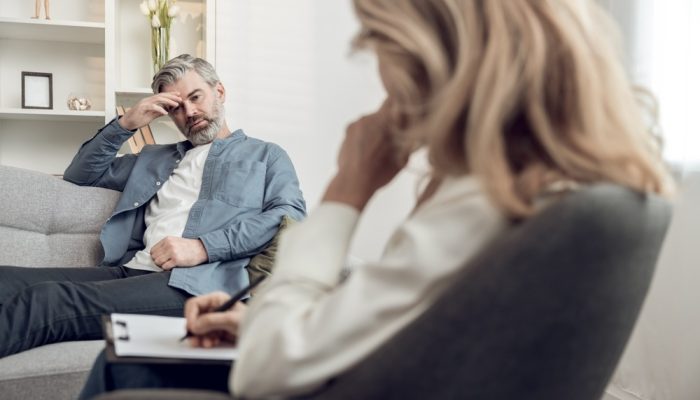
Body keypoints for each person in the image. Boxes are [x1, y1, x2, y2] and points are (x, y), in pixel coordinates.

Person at [80, 0, 673, 398]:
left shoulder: (482, 202)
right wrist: (262, 319)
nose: (385, 83)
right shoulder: (584, 188)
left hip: (266, 338)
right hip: (320, 344)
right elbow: (424, 319)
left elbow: (273, 359)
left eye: (380, 51)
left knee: (113, 360)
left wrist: (347, 191)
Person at [0, 54, 306, 358]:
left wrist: (202, 247)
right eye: (176, 108)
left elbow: (288, 215)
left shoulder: (266, 155)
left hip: (194, 286)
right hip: (131, 270)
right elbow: (80, 174)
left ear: (220, 92)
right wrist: (127, 123)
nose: (190, 112)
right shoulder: (154, 157)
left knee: (47, 300)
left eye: (196, 97)